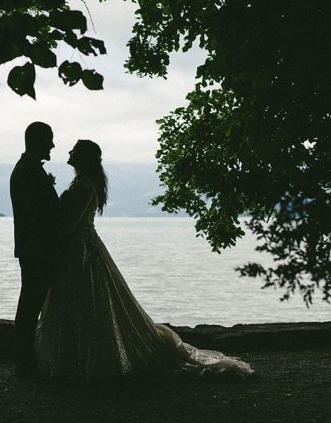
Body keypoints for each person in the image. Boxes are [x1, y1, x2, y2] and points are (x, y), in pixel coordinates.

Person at [35, 139, 254, 381]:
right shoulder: (82, 184)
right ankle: (77, 359)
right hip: (80, 249)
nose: (68, 151)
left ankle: (83, 362)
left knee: (84, 303)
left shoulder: (84, 187)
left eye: (74, 150)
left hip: (80, 252)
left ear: (83, 157)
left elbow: (67, 227)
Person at [10, 121, 61, 377]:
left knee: (30, 304)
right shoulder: (28, 171)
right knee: (30, 305)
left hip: (33, 249)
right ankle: (26, 362)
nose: (52, 144)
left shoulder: (27, 169)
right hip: (36, 250)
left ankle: (28, 360)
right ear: (36, 140)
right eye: (49, 139)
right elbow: (41, 216)